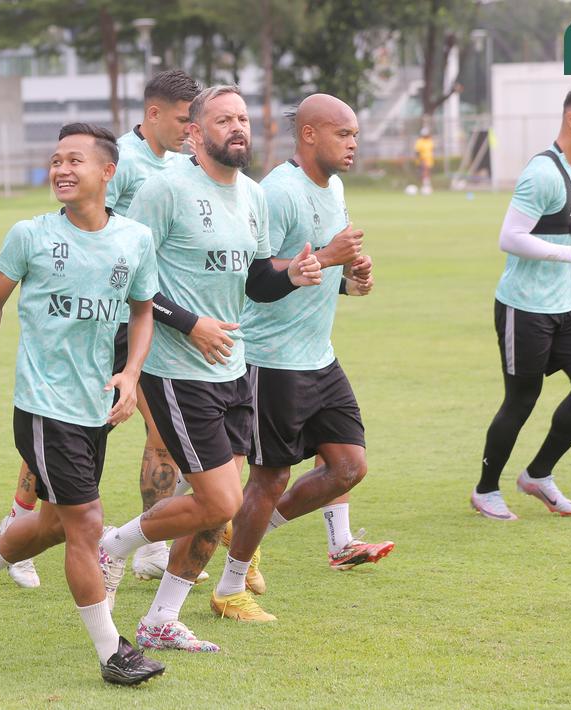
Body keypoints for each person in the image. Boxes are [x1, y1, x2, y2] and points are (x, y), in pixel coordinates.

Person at [96, 85, 321, 651]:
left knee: (218, 508)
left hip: (233, 368)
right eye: (223, 119)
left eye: (242, 117)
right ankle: (113, 546)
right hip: (177, 368)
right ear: (195, 133)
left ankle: (160, 619)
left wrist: (292, 276)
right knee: (222, 501)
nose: (237, 127)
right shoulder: (164, 190)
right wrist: (191, 323)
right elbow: (127, 281)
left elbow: (257, 281)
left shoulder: (253, 195)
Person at [0, 122, 165, 686]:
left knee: (51, 523)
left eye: (75, 160)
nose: (62, 170)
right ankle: (113, 653)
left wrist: (131, 374)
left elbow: (143, 310)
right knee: (86, 523)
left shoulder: (135, 240)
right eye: (56, 161)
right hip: (44, 407)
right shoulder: (32, 235)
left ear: (108, 172)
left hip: (96, 406)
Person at [0, 69, 202, 588]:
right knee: (61, 427)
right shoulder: (121, 161)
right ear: (153, 113)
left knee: (158, 431)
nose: (190, 129)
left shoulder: (181, 164)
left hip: (139, 314)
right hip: (99, 319)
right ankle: (18, 523)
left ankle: (149, 548)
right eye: (184, 119)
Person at [211, 94, 392, 624]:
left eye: (355, 134)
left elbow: (315, 269)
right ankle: (229, 590)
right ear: (309, 134)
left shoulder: (334, 187)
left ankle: (247, 532)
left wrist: (349, 279)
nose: (353, 144)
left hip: (319, 357)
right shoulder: (277, 193)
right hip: (271, 360)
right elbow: (257, 277)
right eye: (344, 134)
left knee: (348, 467)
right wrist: (331, 257)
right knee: (269, 480)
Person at [474, 85, 571, 519]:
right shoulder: (543, 172)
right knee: (522, 399)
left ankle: (538, 474)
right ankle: (486, 489)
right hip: (524, 307)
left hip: (566, 306)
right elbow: (510, 238)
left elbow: (546, 230)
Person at [414, 128, 434, 195]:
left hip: (430, 160)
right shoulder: (419, 141)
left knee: (428, 174)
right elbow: (417, 152)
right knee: (424, 173)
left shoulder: (430, 141)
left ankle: (427, 186)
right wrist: (420, 160)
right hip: (422, 160)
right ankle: (424, 187)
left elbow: (431, 150)